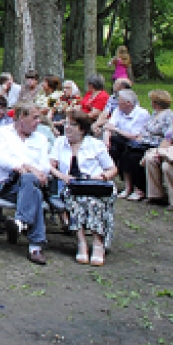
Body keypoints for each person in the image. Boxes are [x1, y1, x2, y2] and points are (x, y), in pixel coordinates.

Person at [49, 111, 117, 266]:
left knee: (93, 201)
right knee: (76, 199)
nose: (67, 127)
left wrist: (102, 177)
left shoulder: (95, 145)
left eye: (72, 125)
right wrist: (62, 176)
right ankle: (81, 242)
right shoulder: (60, 142)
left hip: (95, 185)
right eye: (66, 123)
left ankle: (98, 243)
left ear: (82, 129)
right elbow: (50, 165)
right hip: (71, 186)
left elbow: (112, 169)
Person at [0, 103, 53, 265]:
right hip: (7, 185)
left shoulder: (41, 139)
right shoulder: (1, 133)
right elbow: (1, 159)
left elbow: (45, 166)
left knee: (29, 182)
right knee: (34, 191)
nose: (39, 121)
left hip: (33, 183)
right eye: (35, 117)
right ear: (20, 117)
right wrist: (26, 167)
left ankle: (20, 222)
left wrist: (31, 171)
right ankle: (35, 246)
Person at [102, 89, 150, 200]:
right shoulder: (118, 110)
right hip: (121, 140)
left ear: (128, 103)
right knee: (110, 150)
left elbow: (134, 136)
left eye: (119, 101)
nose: (117, 103)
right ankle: (111, 182)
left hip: (137, 144)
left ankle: (136, 188)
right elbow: (108, 127)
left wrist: (115, 129)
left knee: (128, 155)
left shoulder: (141, 113)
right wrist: (106, 141)